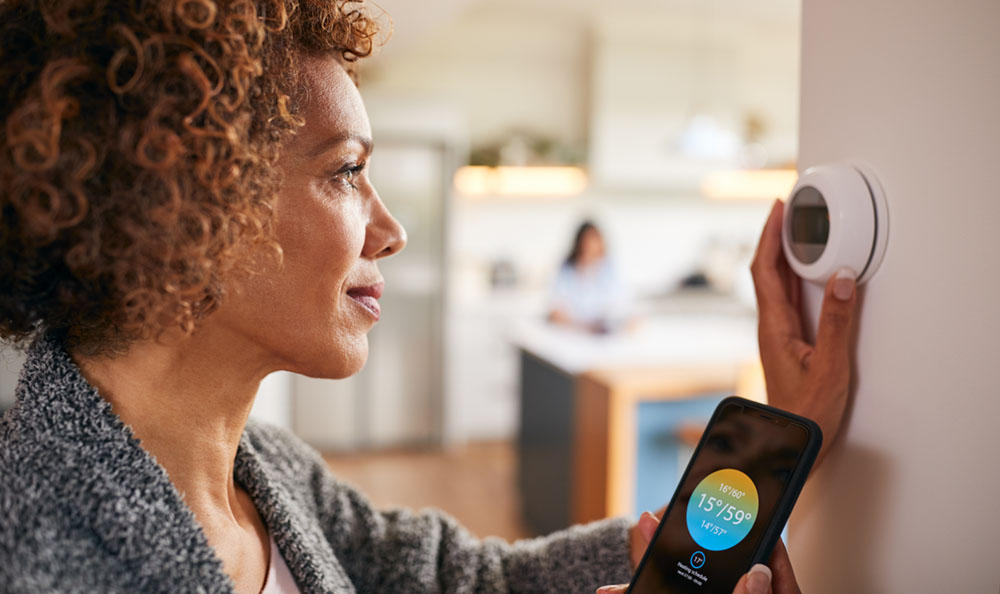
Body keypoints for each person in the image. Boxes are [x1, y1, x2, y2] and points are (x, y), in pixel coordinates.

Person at [0, 2, 858, 593]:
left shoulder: (268, 477)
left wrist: (765, 456)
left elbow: (476, 583)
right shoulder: (32, 552)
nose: (391, 229)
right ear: (182, 200)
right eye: (345, 173)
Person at [548, 221, 630, 334]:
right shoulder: (566, 269)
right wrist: (582, 326)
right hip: (573, 332)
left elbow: (620, 304)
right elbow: (556, 311)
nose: (589, 248)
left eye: (593, 243)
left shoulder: (610, 267)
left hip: (603, 332)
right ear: (578, 245)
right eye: (585, 244)